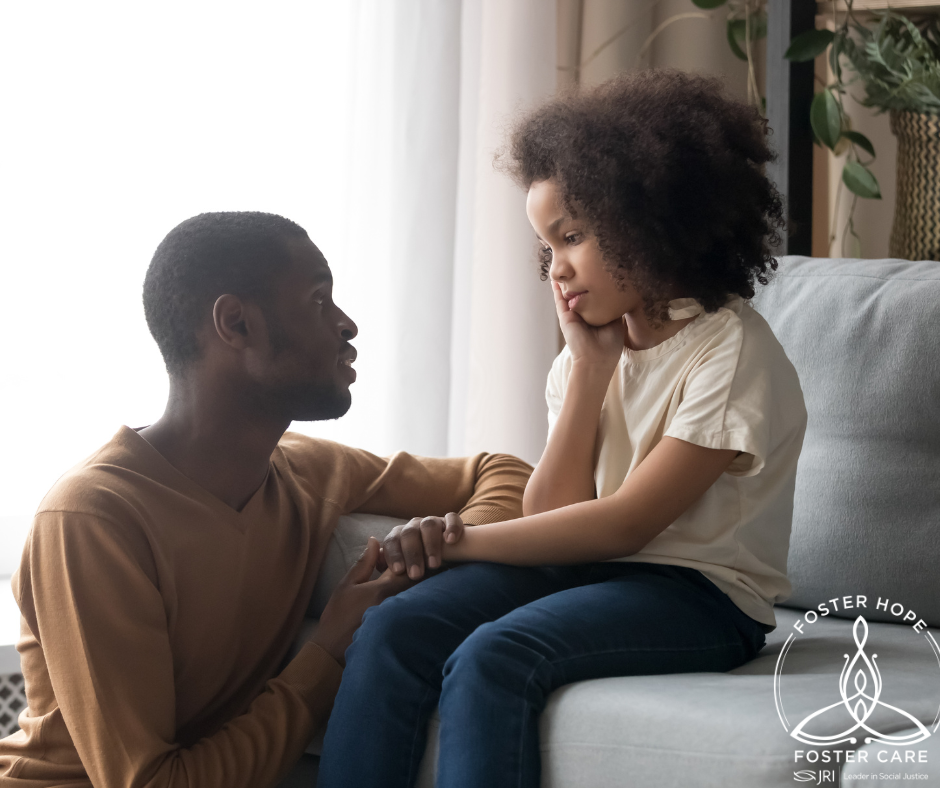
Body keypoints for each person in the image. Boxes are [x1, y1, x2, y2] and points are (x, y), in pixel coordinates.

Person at [317, 69, 809, 788]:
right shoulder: (589, 358)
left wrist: (458, 543)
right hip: (591, 573)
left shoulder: (729, 350)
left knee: (495, 656)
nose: (557, 269)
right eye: (546, 249)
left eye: (571, 236)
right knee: (392, 628)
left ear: (647, 219)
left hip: (699, 597)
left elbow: (624, 524)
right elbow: (554, 515)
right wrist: (586, 373)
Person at [0, 212, 531, 788]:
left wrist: (456, 550)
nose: (347, 325)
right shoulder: (93, 519)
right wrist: (327, 652)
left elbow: (501, 470)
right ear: (236, 323)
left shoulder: (309, 470)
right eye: (319, 300)